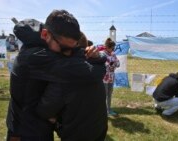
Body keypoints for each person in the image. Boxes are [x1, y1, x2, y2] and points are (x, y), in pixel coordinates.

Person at [6, 10, 107, 141]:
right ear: (44, 34)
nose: (69, 54)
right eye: (65, 49)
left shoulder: (47, 45)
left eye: (74, 49)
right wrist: (99, 59)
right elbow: (90, 73)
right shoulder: (34, 57)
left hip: (38, 129)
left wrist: (96, 55)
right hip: (25, 133)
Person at [101, 38, 120, 116]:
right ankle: (102, 111)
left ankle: (109, 110)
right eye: (112, 48)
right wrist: (110, 65)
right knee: (103, 95)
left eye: (113, 48)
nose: (113, 49)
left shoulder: (113, 54)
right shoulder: (102, 54)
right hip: (104, 78)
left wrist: (114, 65)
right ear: (107, 47)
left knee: (109, 94)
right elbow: (102, 65)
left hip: (111, 78)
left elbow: (118, 63)